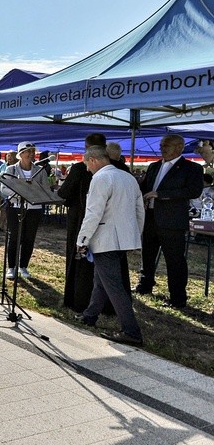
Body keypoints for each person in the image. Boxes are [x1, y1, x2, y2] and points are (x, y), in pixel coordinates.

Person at [75, 146, 145, 345]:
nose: (87, 169)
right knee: (102, 280)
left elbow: (93, 213)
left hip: (106, 240)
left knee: (113, 286)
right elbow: (140, 210)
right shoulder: (128, 177)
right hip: (122, 239)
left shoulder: (100, 178)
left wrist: (82, 240)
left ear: (94, 160)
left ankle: (132, 332)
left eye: (87, 164)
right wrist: (134, 235)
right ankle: (90, 315)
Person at [137, 134, 204, 308]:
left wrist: (161, 195)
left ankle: (177, 298)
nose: (162, 149)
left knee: (175, 261)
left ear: (179, 147)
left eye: (166, 146)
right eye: (161, 145)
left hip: (172, 222)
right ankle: (145, 285)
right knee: (147, 255)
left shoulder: (192, 168)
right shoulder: (153, 166)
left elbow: (193, 191)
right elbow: (144, 188)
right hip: (151, 217)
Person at [58, 133, 106, 311]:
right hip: (106, 224)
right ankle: (106, 304)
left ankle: (78, 300)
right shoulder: (118, 167)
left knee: (81, 260)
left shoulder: (80, 168)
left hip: (81, 220)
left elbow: (64, 193)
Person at [0, 141, 51, 279]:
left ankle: (23, 266)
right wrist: (19, 192)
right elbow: (3, 188)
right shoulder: (11, 169)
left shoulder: (39, 170)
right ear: (21, 154)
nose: (31, 154)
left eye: (33, 152)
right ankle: (11, 267)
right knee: (14, 237)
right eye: (28, 152)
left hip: (34, 209)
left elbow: (46, 189)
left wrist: (34, 192)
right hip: (16, 207)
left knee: (29, 238)